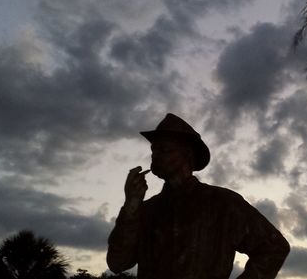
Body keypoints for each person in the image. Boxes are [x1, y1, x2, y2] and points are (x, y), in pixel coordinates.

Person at [107, 113, 290, 279]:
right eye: (154, 150)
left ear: (187, 155)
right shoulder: (146, 210)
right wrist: (131, 207)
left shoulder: (223, 203)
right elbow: (117, 263)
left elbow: (274, 247)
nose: (155, 155)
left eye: (164, 150)